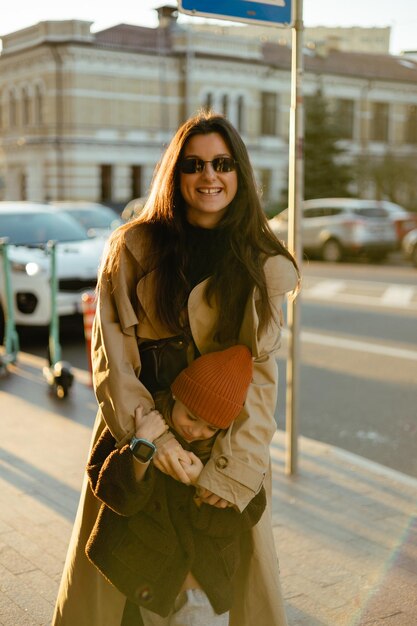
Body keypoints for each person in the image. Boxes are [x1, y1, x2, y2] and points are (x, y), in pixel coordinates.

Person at [52, 111, 299, 626]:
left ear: (239, 173)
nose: (210, 176)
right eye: (195, 164)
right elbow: (112, 363)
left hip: (222, 451)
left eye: (222, 163)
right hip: (139, 440)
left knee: (217, 591)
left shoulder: (258, 261)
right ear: (176, 173)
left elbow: (261, 380)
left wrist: (231, 473)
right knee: (122, 595)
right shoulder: (134, 248)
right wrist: (157, 441)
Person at [85, 346, 266, 626]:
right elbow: (112, 493)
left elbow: (246, 511)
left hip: (203, 589)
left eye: (211, 427)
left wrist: (203, 480)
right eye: (191, 417)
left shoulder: (229, 453)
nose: (196, 431)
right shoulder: (139, 420)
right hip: (147, 578)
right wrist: (142, 446)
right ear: (175, 395)